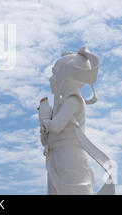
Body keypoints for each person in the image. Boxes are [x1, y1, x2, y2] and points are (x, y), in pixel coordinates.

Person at [39, 47, 114, 195]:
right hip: (56, 157)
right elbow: (46, 140)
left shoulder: (73, 100)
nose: (51, 78)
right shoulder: (59, 105)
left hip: (70, 157)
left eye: (54, 73)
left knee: (75, 189)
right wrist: (43, 124)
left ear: (67, 75)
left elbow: (56, 127)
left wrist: (46, 120)